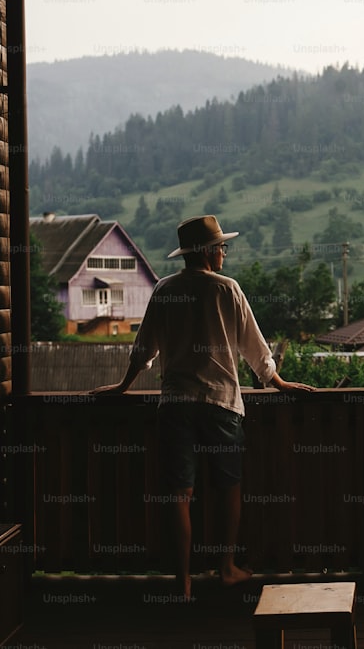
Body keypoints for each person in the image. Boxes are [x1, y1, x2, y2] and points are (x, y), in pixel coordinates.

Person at [92, 215, 313, 599]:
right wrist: (277, 382)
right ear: (210, 252)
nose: (224, 253)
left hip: (176, 404)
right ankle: (226, 568)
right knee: (229, 488)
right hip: (221, 404)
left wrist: (124, 386)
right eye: (222, 247)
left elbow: (144, 348)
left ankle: (183, 582)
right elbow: (255, 348)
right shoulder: (228, 290)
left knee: (179, 494)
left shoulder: (165, 289)